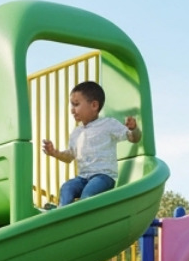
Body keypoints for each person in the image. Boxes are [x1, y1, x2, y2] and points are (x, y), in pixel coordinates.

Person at [40, 80, 141, 208]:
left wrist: (133, 129)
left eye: (76, 104)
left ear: (94, 105)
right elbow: (69, 157)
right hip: (82, 178)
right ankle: (62, 210)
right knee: (67, 187)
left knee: (88, 194)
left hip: (103, 177)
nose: (72, 110)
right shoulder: (76, 133)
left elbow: (133, 138)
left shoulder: (108, 124)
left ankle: (79, 212)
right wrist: (55, 153)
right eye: (72, 105)